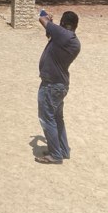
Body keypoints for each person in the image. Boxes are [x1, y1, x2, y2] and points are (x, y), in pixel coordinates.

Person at [35, 10, 81, 165]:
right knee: (57, 118)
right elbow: (52, 35)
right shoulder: (72, 41)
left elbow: (41, 19)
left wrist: (47, 19)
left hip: (51, 85)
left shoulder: (63, 34)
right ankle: (62, 149)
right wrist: (53, 26)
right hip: (60, 85)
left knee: (47, 118)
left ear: (64, 24)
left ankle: (55, 154)